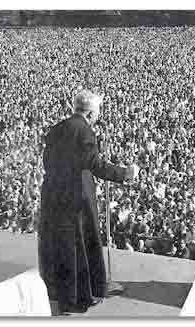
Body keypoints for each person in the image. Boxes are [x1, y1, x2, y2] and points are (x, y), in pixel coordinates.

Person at [38, 90, 139, 314]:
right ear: (91, 112)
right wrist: (125, 174)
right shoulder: (84, 131)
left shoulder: (57, 128)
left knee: (60, 246)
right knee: (79, 245)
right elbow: (95, 164)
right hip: (75, 198)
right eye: (98, 111)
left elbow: (48, 161)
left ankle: (60, 293)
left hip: (54, 195)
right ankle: (80, 297)